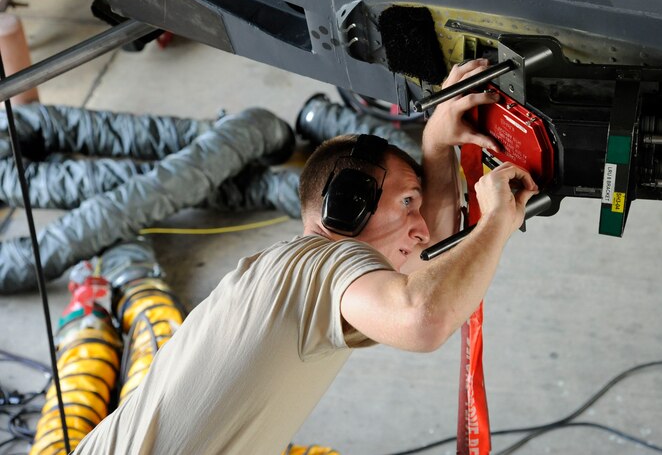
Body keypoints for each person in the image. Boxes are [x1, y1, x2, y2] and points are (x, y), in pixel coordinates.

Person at [72, 59, 538, 454]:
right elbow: (424, 318)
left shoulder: (302, 278)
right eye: (407, 202)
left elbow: (431, 266)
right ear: (346, 203)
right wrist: (496, 221)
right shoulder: (317, 262)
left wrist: (437, 145)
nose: (420, 229)